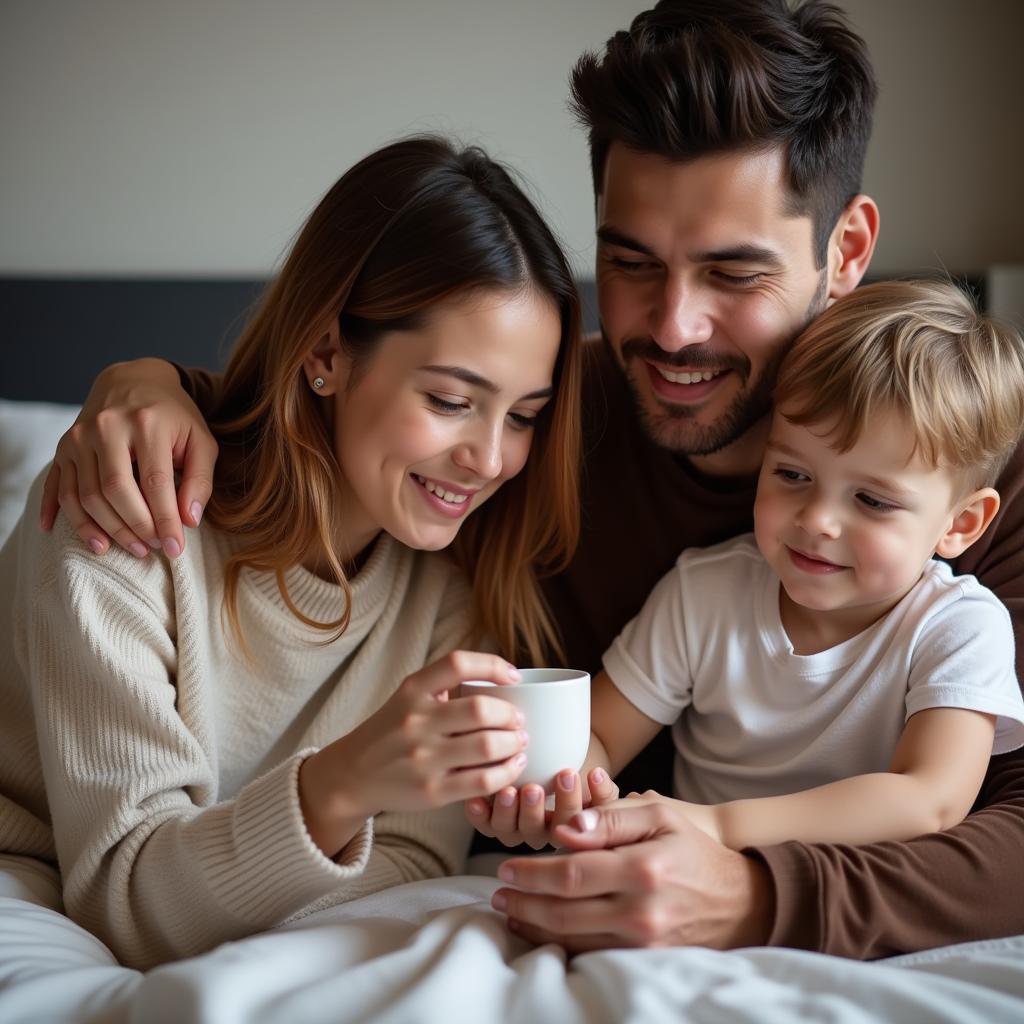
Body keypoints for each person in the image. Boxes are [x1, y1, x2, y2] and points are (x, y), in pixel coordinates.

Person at [37, 1, 1024, 959]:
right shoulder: (554, 416)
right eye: (632, 264)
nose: (673, 328)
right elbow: (320, 423)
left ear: (844, 249)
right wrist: (152, 385)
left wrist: (756, 893)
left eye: (732, 274)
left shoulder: (971, 453)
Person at [0, 134, 625, 970]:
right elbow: (129, 904)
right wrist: (344, 787)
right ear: (327, 353)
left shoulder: (443, 593)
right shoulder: (120, 522)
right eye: (449, 399)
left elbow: (415, 863)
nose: (489, 459)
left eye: (521, 417)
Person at [477, 280, 1024, 855]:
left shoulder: (958, 628)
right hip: (677, 876)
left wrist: (719, 827)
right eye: (792, 475)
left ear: (960, 524)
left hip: (839, 899)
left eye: (872, 501)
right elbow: (600, 734)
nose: (817, 521)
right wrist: (568, 792)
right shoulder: (706, 593)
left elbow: (929, 798)